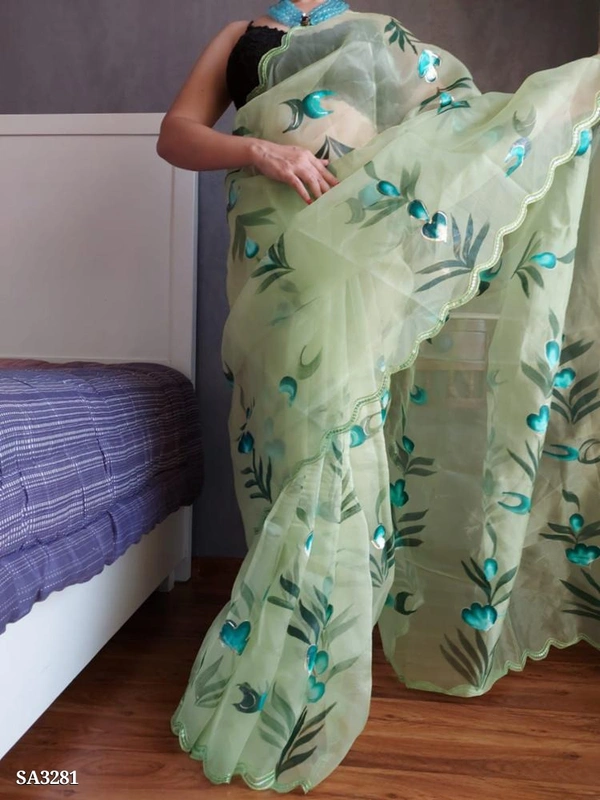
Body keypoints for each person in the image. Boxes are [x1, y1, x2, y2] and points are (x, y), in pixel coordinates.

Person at [157, 0, 600, 792]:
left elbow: (456, 129)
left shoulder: (379, 34)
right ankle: (292, 645)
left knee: (335, 432)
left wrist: (560, 105)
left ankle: (309, 663)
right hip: (268, 249)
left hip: (350, 255)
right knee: (281, 437)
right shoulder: (241, 36)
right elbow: (175, 135)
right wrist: (260, 150)